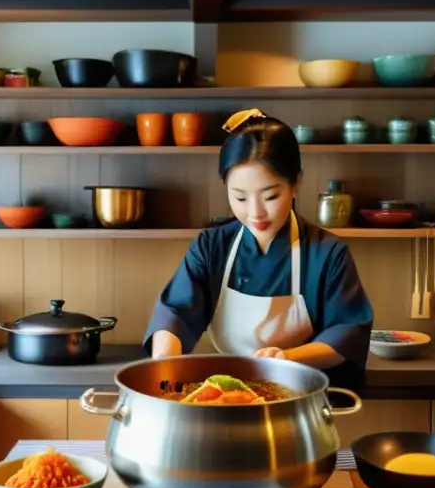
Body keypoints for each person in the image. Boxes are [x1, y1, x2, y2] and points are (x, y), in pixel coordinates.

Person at [143, 108, 374, 390]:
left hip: (300, 396)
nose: (256, 213)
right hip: (226, 394)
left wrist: (286, 358)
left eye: (271, 196)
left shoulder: (327, 253)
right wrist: (165, 362)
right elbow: (176, 312)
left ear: (296, 183)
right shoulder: (211, 246)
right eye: (240, 197)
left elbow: (347, 333)